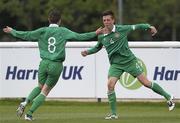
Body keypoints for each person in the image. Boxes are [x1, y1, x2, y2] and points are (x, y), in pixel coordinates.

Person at [3, 9, 103, 121]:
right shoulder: (63, 31)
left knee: (39, 86)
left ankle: (25, 101)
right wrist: (95, 33)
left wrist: (12, 31)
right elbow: (80, 36)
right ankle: (29, 114)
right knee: (45, 91)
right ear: (59, 21)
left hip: (44, 63)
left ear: (48, 20)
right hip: (56, 64)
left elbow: (26, 35)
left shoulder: (42, 31)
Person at [81, 10, 175, 120]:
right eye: (104, 20)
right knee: (110, 85)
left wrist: (149, 27)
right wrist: (88, 52)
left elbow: (137, 26)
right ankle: (113, 114)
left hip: (130, 62)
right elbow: (97, 47)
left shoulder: (122, 29)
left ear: (113, 20)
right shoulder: (101, 35)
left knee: (146, 83)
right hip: (116, 65)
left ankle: (168, 96)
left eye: (108, 20)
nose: (106, 22)